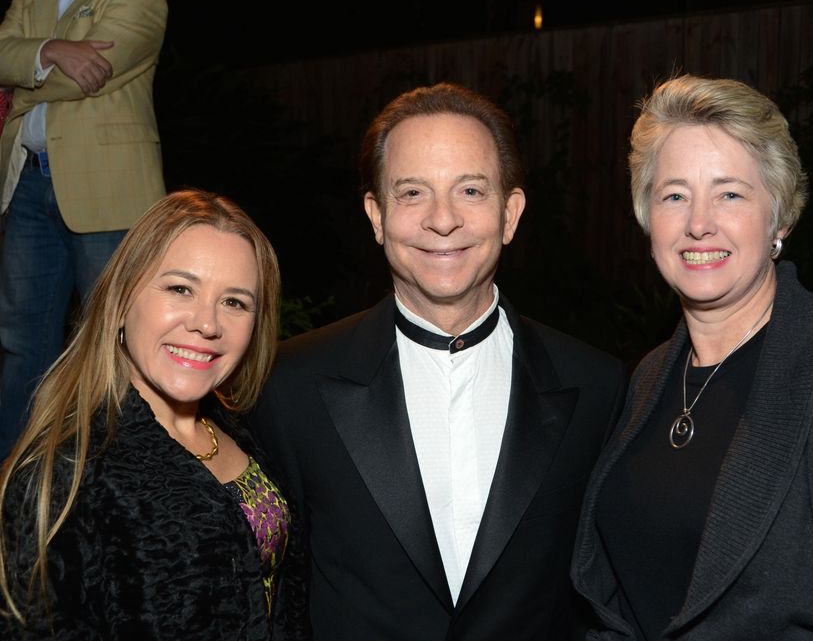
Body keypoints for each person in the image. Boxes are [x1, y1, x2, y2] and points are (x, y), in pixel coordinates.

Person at [571, 74, 813, 640]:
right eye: (674, 194)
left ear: (780, 217)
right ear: (648, 218)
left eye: (730, 193)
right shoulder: (650, 376)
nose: (699, 222)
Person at [250, 82, 627, 639]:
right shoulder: (290, 386)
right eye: (412, 194)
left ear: (510, 213)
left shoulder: (598, 387)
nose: (442, 219)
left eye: (471, 190)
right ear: (376, 216)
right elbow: (274, 592)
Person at [0, 190, 307, 639]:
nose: (207, 324)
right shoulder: (64, 471)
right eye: (180, 288)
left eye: (234, 301)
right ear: (121, 300)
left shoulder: (243, 429)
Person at [0, 0, 168, 493]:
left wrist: (22, 78)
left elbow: (97, 74)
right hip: (28, 183)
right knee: (23, 335)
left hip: (109, 188)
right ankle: (10, 459)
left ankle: (129, 465)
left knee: (121, 335)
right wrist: (53, 50)